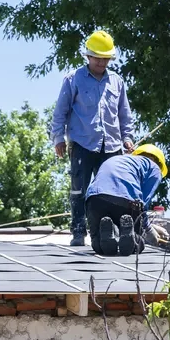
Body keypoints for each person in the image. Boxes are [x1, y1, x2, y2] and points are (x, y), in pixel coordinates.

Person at [50, 29, 136, 246]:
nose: (101, 62)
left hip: (112, 146)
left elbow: (124, 114)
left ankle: (111, 230)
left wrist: (127, 137)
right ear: (88, 56)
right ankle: (79, 231)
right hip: (83, 144)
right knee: (79, 190)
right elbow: (60, 111)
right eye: (98, 57)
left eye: (105, 58)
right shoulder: (74, 79)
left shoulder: (116, 81)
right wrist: (58, 138)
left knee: (112, 191)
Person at [84, 144, 167, 257]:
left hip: (94, 201)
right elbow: (142, 204)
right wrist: (149, 230)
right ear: (157, 162)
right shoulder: (154, 168)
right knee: (138, 243)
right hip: (125, 203)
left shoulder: (117, 159)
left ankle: (105, 236)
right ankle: (131, 237)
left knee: (97, 244)